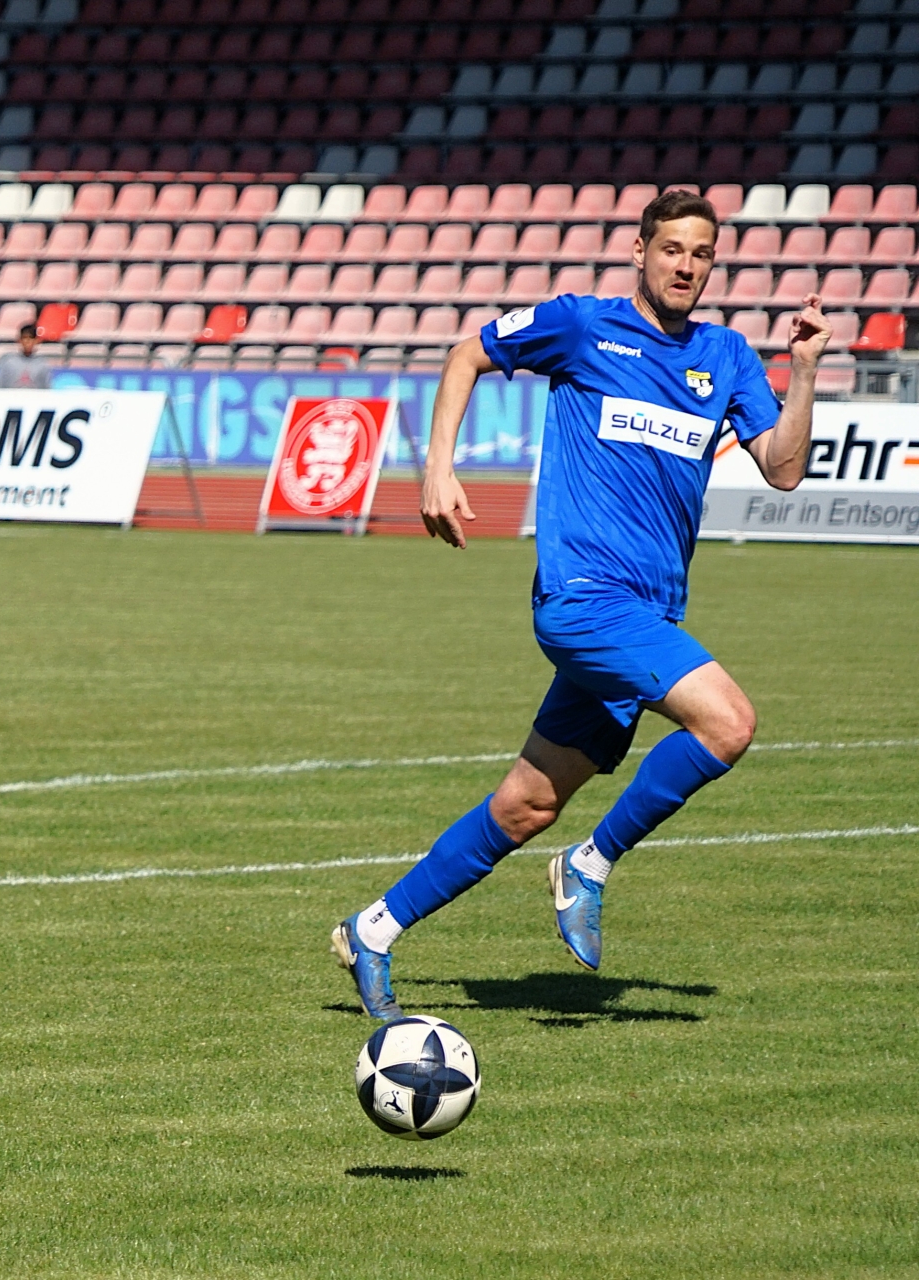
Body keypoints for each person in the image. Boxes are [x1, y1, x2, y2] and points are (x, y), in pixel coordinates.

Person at [331, 189, 832, 1019]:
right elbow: (465, 356)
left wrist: (805, 369)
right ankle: (591, 864)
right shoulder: (580, 326)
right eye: (671, 248)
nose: (686, 265)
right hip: (582, 601)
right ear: (639, 251)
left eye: (702, 253)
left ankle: (373, 930)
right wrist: (436, 467)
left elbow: (782, 467)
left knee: (524, 805)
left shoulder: (728, 357)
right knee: (728, 723)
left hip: (647, 618)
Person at [0, 323, 53, 389]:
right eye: (25, 338)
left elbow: (47, 390)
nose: (27, 341)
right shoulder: (8, 362)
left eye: (31, 338)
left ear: (36, 341)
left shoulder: (42, 364)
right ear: (19, 340)